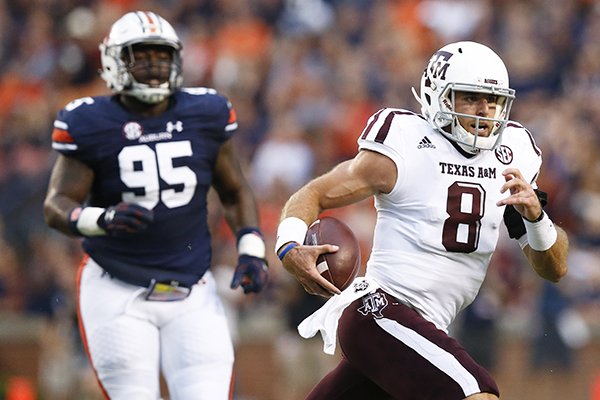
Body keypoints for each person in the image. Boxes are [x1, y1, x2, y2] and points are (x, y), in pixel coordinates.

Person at [275, 41, 569, 400]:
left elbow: (553, 268)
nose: (485, 110)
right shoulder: (407, 144)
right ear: (440, 97)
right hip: (378, 311)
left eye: (493, 101)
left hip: (424, 327)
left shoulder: (512, 156)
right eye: (470, 98)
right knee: (477, 395)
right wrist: (289, 245)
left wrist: (537, 219)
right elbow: (314, 193)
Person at [43, 11, 268, 400]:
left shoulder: (205, 112)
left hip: (193, 288)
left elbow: (234, 190)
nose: (152, 65)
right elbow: (57, 204)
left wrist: (252, 250)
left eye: (161, 56)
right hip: (118, 288)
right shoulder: (90, 121)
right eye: (140, 55)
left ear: (177, 60)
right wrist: (103, 219)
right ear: (114, 61)